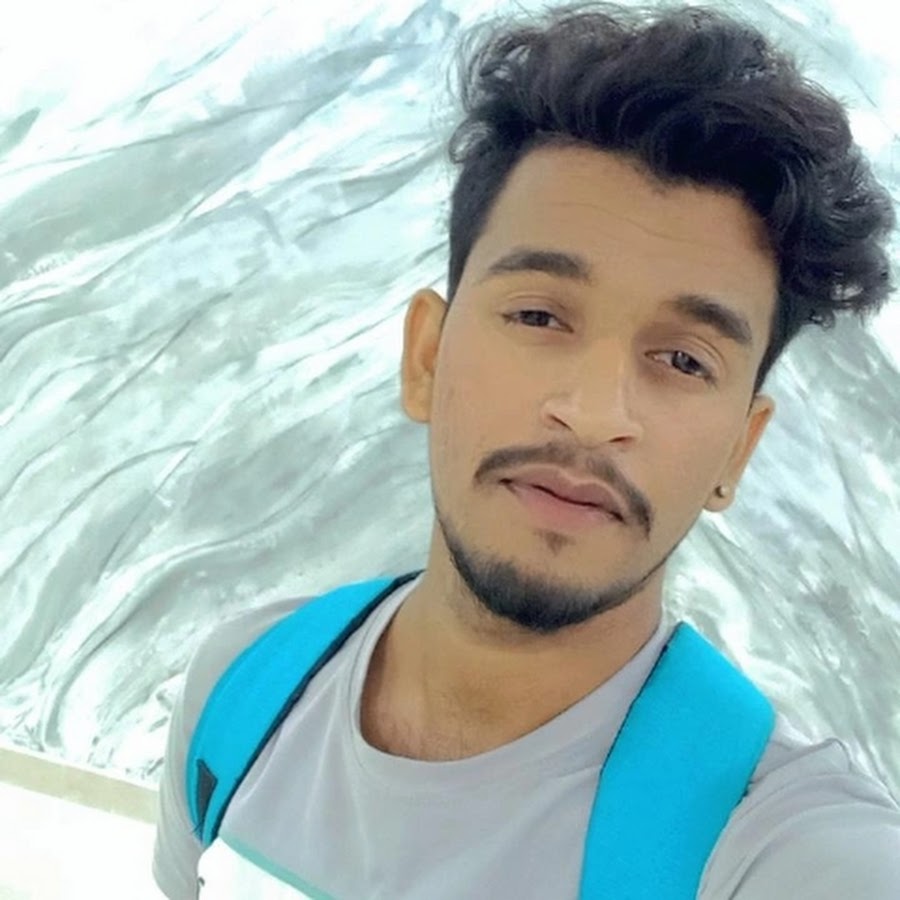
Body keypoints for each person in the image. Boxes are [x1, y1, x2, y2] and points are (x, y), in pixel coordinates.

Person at [152, 3, 900, 898]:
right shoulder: (242, 695)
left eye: (683, 360)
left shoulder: (787, 855)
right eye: (540, 315)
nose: (591, 414)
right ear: (426, 358)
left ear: (738, 452)